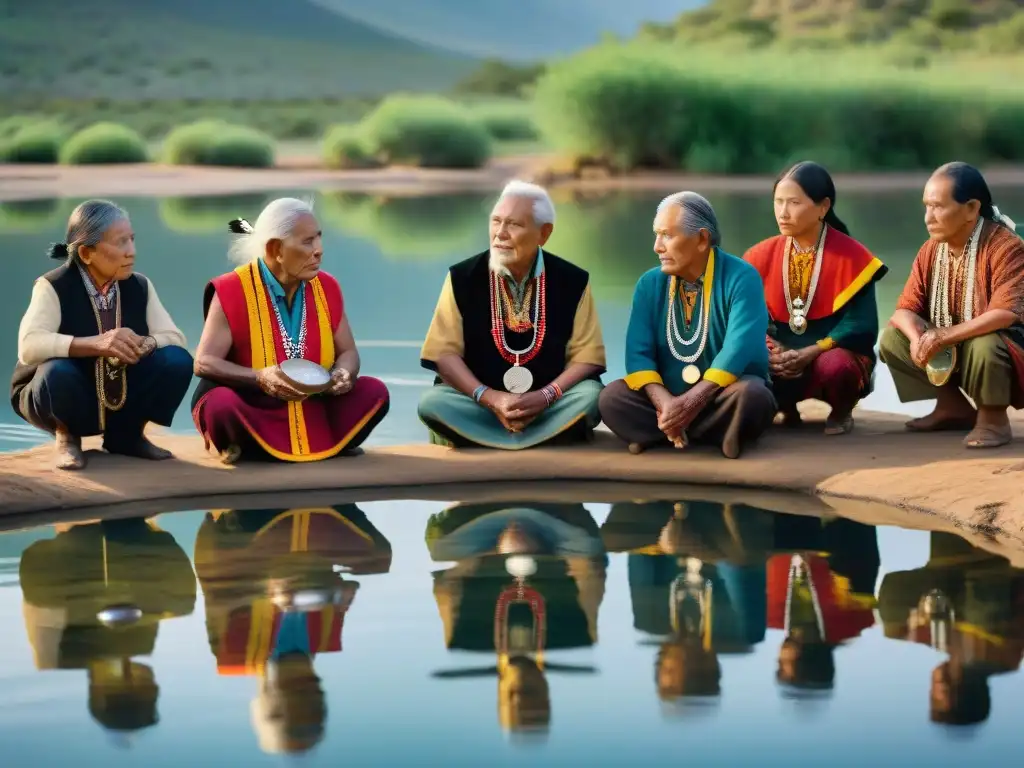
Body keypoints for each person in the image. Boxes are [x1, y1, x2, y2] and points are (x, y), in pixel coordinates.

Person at [191, 197, 390, 463]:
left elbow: (348, 352)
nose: (319, 250)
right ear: (276, 250)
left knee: (374, 392)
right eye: (308, 242)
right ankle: (247, 442)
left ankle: (269, 448)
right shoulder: (232, 289)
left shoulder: (327, 286)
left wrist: (344, 373)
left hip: (313, 408)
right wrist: (260, 377)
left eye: (319, 238)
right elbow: (203, 362)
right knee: (221, 405)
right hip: (252, 407)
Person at [417, 180, 606, 449]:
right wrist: (491, 398)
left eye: (514, 224)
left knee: (593, 396)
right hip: (479, 402)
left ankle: (490, 438)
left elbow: (586, 358)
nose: (500, 233)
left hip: (548, 405)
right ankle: (543, 438)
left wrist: (545, 396)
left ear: (544, 233)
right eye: (496, 221)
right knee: (433, 403)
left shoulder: (573, 280)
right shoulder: (462, 277)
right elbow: (443, 354)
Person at [11, 199, 193, 471]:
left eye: (132, 239)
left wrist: (148, 343)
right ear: (86, 253)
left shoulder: (140, 285)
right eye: (120, 242)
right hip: (57, 391)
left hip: (119, 390)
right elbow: (28, 346)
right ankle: (66, 437)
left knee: (176, 360)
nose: (131, 252)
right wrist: (96, 344)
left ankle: (127, 437)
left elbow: (175, 337)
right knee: (56, 371)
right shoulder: (52, 286)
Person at [598, 191, 776, 459]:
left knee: (753, 396)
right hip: (667, 397)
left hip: (721, 396)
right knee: (611, 398)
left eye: (668, 235)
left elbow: (737, 351)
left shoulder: (742, 278)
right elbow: (638, 354)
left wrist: (692, 402)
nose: (657, 246)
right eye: (656, 235)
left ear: (702, 239)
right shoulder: (649, 284)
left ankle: (656, 434)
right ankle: (700, 431)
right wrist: (666, 403)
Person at [880, 162, 1024, 448]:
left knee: (985, 344)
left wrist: (943, 336)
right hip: (955, 344)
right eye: (926, 206)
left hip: (1006, 347)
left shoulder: (1005, 247)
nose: (928, 217)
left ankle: (993, 420)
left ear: (971, 208)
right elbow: (904, 309)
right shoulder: (930, 250)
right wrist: (918, 339)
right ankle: (952, 407)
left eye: (938, 207)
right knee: (892, 340)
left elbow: (1005, 314)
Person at [744, 162, 888, 435]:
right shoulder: (759, 255)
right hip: (781, 357)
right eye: (778, 202)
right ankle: (785, 407)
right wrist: (771, 348)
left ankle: (841, 410)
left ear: (823, 207)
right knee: (748, 354)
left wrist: (811, 352)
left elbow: (861, 324)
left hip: (827, 356)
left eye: (794, 203)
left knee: (838, 366)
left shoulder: (853, 257)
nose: (783, 212)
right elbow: (745, 316)